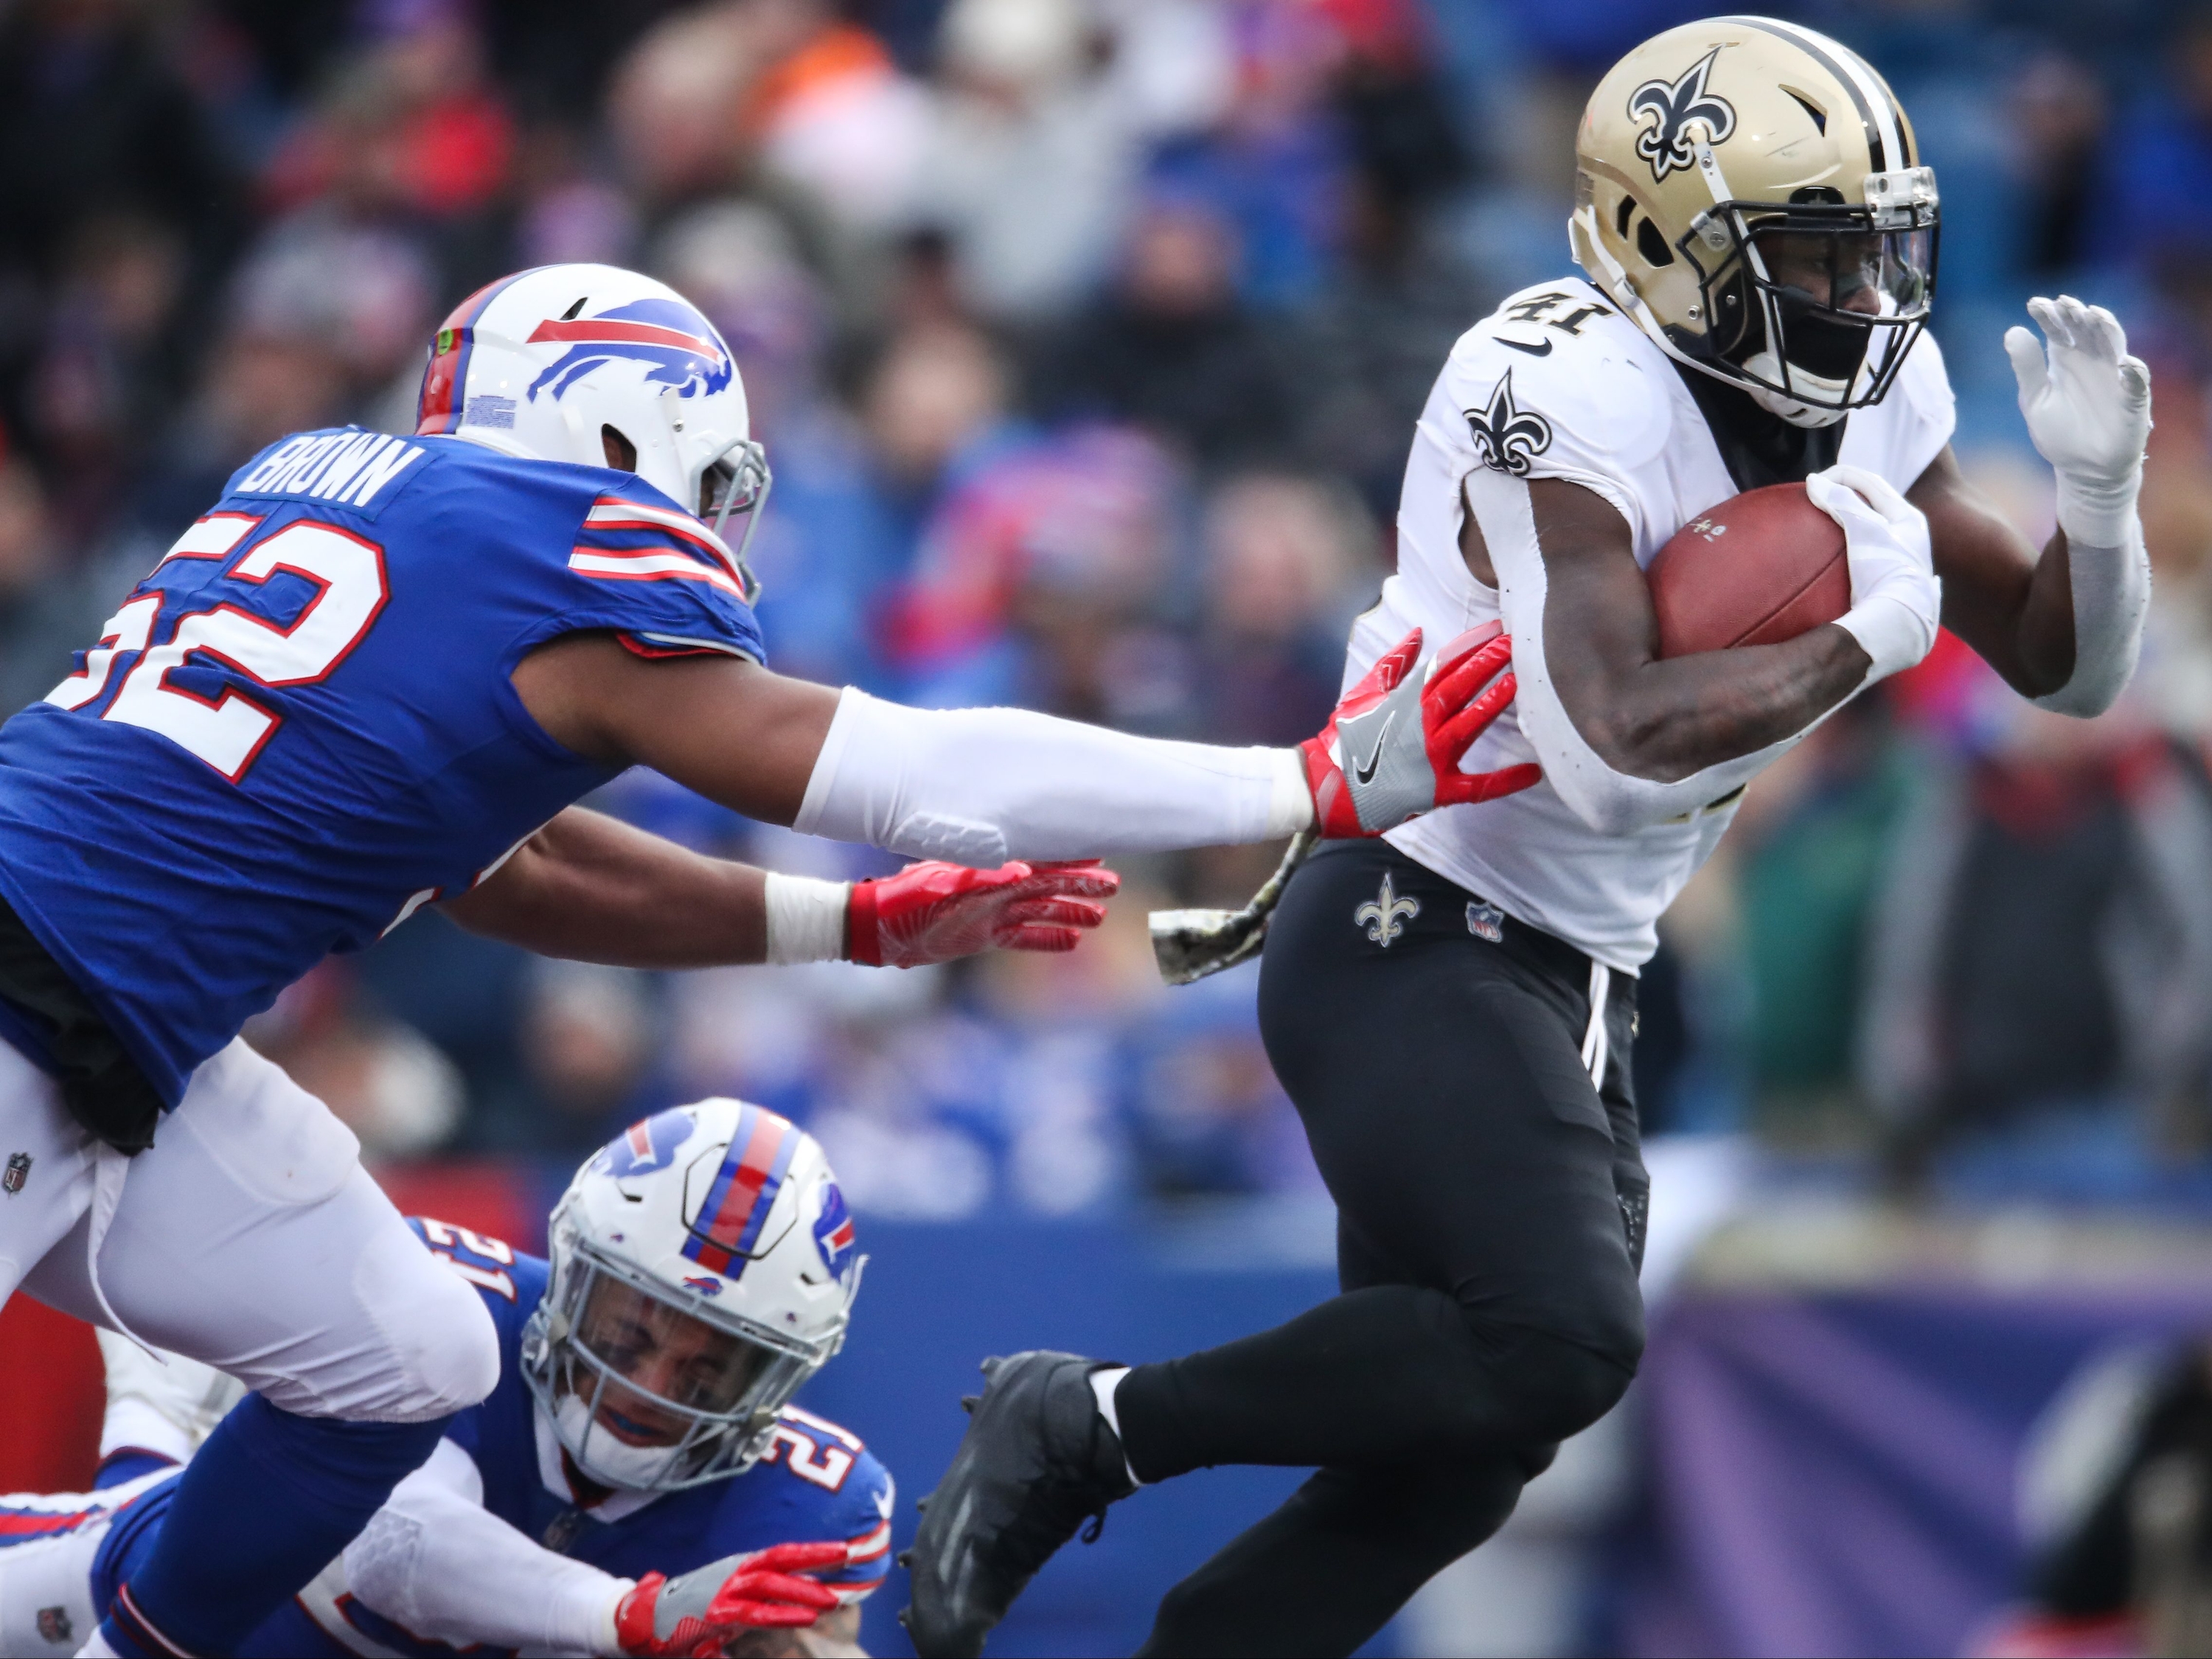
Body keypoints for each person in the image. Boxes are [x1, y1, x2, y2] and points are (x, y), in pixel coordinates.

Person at [0, 259, 1530, 1656]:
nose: (714, 516)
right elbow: (913, 772)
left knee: (398, 1359)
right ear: (618, 433)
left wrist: (848, 924)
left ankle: (122, 1628)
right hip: (35, 1014)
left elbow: (504, 869)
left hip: (119, 1033)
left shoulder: (321, 487)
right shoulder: (556, 543)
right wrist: (1297, 785)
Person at [900, 18, 2156, 1658]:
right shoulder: (1555, 383)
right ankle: (1091, 1423)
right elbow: (1613, 750)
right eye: (1815, 260)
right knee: (1557, 1343)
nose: (1863, 302)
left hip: (1578, 965)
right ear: (1661, 246)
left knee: (1459, 1460)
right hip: (1410, 908)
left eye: (1875, 255)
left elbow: (2068, 665)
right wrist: (1869, 632)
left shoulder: (1865, 385)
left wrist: (2101, 501)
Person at [0, 1101, 891, 1658]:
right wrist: (628, 1615)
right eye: (628, 1333)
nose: (648, 1385)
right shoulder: (454, 1309)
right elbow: (394, 1545)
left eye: (708, 1370)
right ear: (573, 1273)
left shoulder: (806, 1508)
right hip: (163, 1600)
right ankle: (146, 1446)